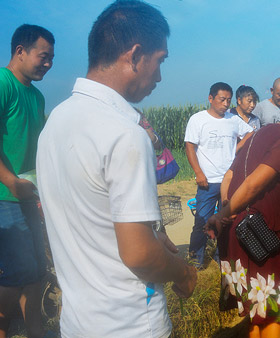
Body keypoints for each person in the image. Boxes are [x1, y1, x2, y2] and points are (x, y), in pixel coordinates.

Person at [36, 2, 197, 337]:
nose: (160, 76)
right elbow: (138, 254)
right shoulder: (125, 133)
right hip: (131, 324)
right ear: (135, 56)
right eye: (160, 61)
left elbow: (94, 218)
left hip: (78, 323)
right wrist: (182, 272)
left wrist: (157, 238)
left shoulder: (55, 124)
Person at [206, 87, 280, 337]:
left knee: (258, 310)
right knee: (275, 312)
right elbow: (254, 183)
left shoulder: (256, 134)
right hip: (263, 238)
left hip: (239, 234)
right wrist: (222, 213)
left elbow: (229, 176)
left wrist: (227, 210)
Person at [0, 24, 54, 338]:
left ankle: (36, 331)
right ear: (20, 51)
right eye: (43, 56)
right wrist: (9, 181)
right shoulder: (4, 83)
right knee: (19, 272)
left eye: (51, 59)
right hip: (5, 196)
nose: (48, 64)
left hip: (26, 195)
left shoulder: (37, 97)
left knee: (37, 273)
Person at [184, 82, 253, 269]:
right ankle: (195, 259)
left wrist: (236, 149)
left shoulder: (233, 119)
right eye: (222, 100)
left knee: (226, 220)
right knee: (202, 221)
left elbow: (250, 133)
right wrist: (198, 173)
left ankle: (220, 256)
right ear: (210, 98)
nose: (225, 104)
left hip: (229, 181)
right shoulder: (198, 120)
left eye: (228, 100)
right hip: (207, 182)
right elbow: (189, 146)